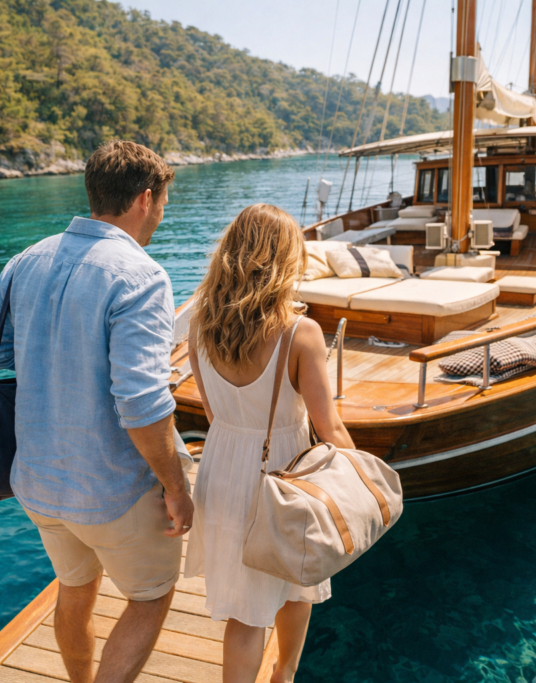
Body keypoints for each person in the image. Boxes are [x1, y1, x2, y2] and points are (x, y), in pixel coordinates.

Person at [0, 140, 193, 683]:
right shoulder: (142, 277)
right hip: (110, 489)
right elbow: (142, 404)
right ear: (146, 199)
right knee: (150, 597)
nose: (161, 214)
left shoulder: (26, 259)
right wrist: (176, 486)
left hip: (40, 482)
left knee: (76, 586)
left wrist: (57, 361)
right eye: (163, 202)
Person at [185, 204, 355, 683]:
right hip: (285, 475)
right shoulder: (300, 333)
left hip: (222, 469)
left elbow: (215, 414)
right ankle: (284, 676)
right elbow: (330, 428)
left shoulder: (200, 325)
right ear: (286, 259)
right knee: (297, 584)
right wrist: (369, 481)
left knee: (247, 610)